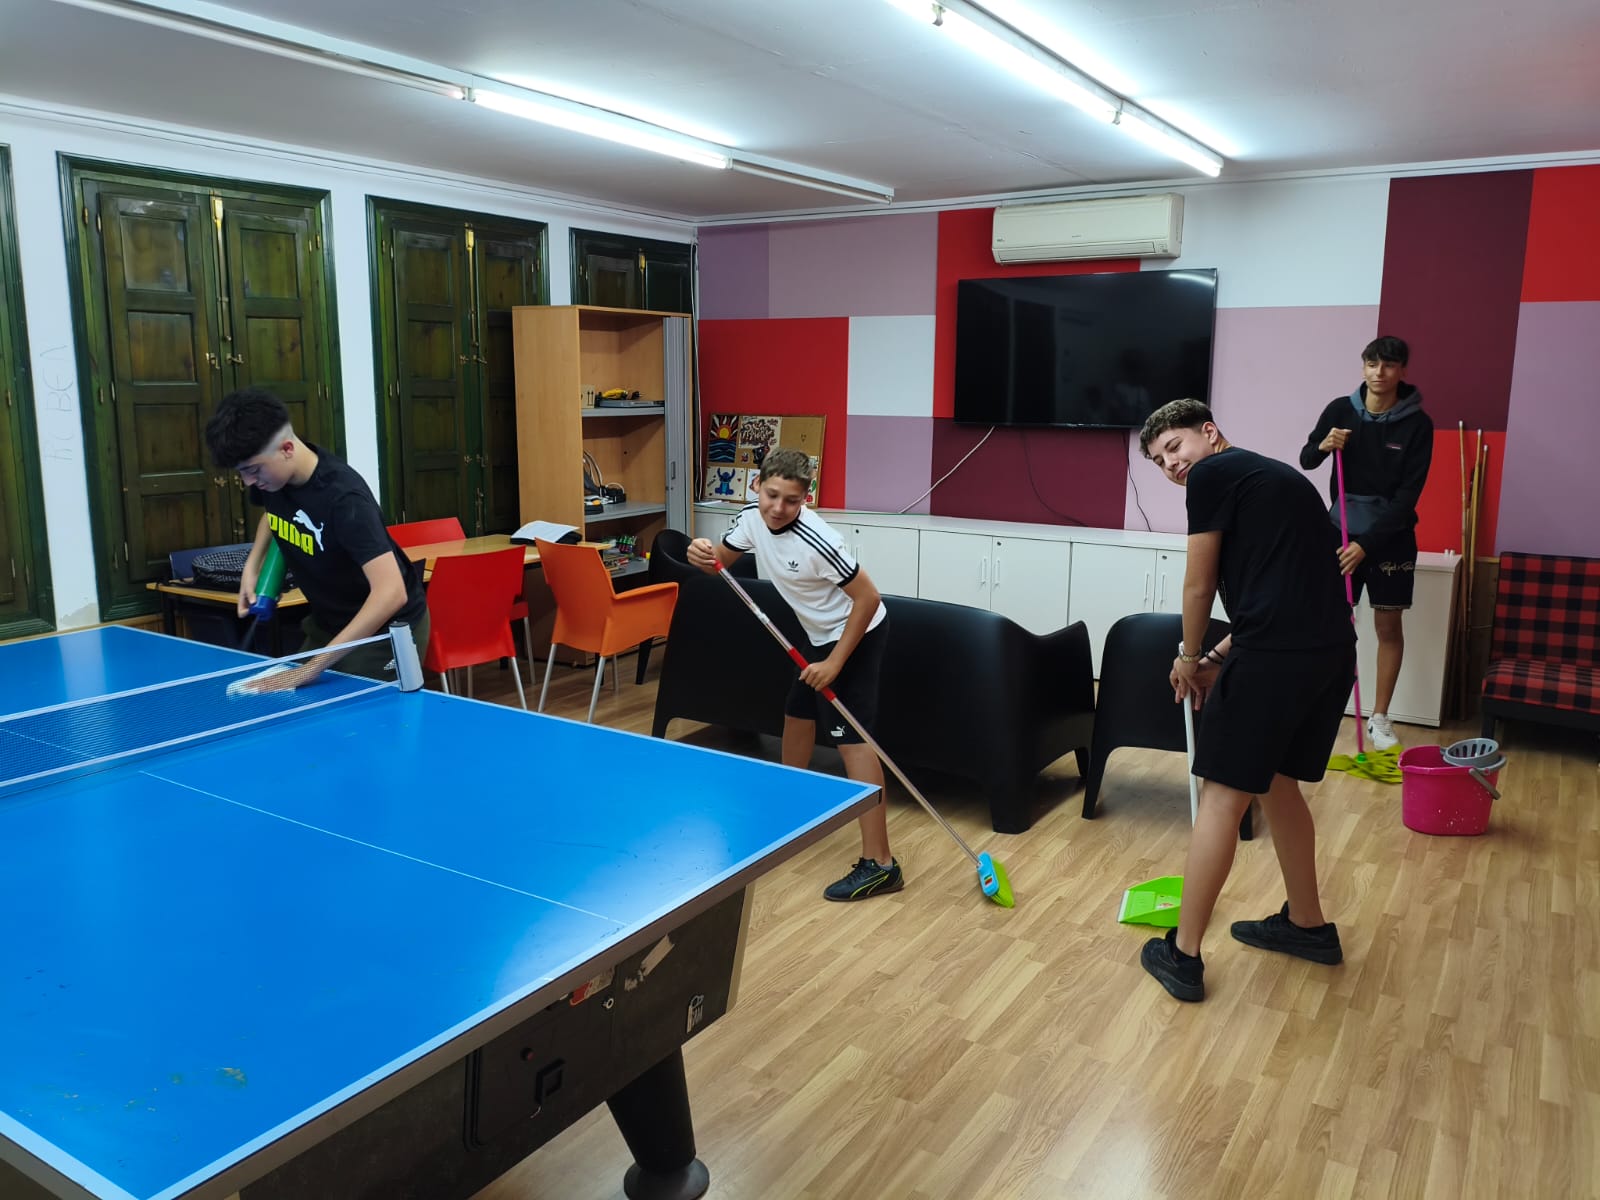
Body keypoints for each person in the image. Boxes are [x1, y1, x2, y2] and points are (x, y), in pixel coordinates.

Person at [1137, 399, 1355, 1002]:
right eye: (1159, 461)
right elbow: (1284, 597)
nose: (1171, 465)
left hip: (1275, 663)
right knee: (1279, 784)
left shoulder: (1212, 474)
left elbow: (1198, 583)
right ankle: (1308, 925)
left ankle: (1182, 955)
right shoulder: (1277, 479)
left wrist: (1187, 656)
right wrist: (1215, 657)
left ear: (1209, 433)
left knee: (1221, 798)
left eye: (1175, 447)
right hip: (1330, 654)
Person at [686, 448, 899, 902]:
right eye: (771, 495)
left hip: (855, 636)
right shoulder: (750, 518)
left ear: (807, 498)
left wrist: (835, 663)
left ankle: (881, 865)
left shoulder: (818, 541)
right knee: (797, 715)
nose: (778, 508)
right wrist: (700, 554)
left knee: (853, 742)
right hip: (817, 635)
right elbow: (718, 563)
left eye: (791, 500)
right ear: (756, 486)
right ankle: (791, 809)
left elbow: (868, 599)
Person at [204, 388, 429, 689]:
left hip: (385, 632)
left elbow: (391, 593)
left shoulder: (345, 500)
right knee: (290, 703)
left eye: (253, 470)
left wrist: (307, 671)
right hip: (328, 623)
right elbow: (272, 516)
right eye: (241, 473)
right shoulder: (273, 479)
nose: (248, 482)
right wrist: (252, 566)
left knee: (350, 716)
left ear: (286, 449)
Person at [1300, 336, 1433, 750]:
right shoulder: (1340, 410)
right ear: (1363, 367)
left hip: (1390, 539)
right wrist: (1323, 445)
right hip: (1340, 532)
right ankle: (1323, 705)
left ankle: (1379, 717)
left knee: (1387, 626)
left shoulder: (1418, 424)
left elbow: (1407, 499)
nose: (1379, 372)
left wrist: (1367, 546)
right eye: (1372, 364)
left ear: (1402, 371)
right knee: (1332, 624)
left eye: (1389, 365)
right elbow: (1306, 459)